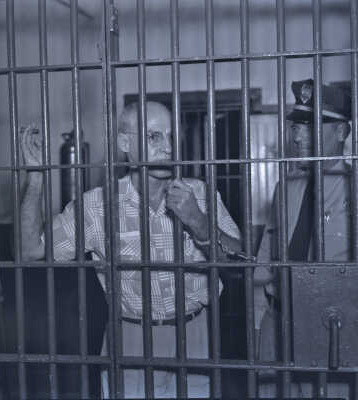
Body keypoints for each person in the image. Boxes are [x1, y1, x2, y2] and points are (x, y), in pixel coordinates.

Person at [20, 101, 241, 398]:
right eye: (154, 136)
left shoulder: (199, 194)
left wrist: (198, 221)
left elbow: (238, 263)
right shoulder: (97, 206)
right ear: (125, 143)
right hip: (131, 339)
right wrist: (35, 179)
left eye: (172, 136)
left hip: (197, 335)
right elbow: (31, 251)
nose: (168, 147)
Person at [254, 79, 352, 398]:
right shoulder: (285, 187)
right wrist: (259, 324)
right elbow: (266, 257)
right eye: (296, 127)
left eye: (310, 127)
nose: (297, 137)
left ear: (342, 132)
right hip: (278, 324)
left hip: (332, 328)